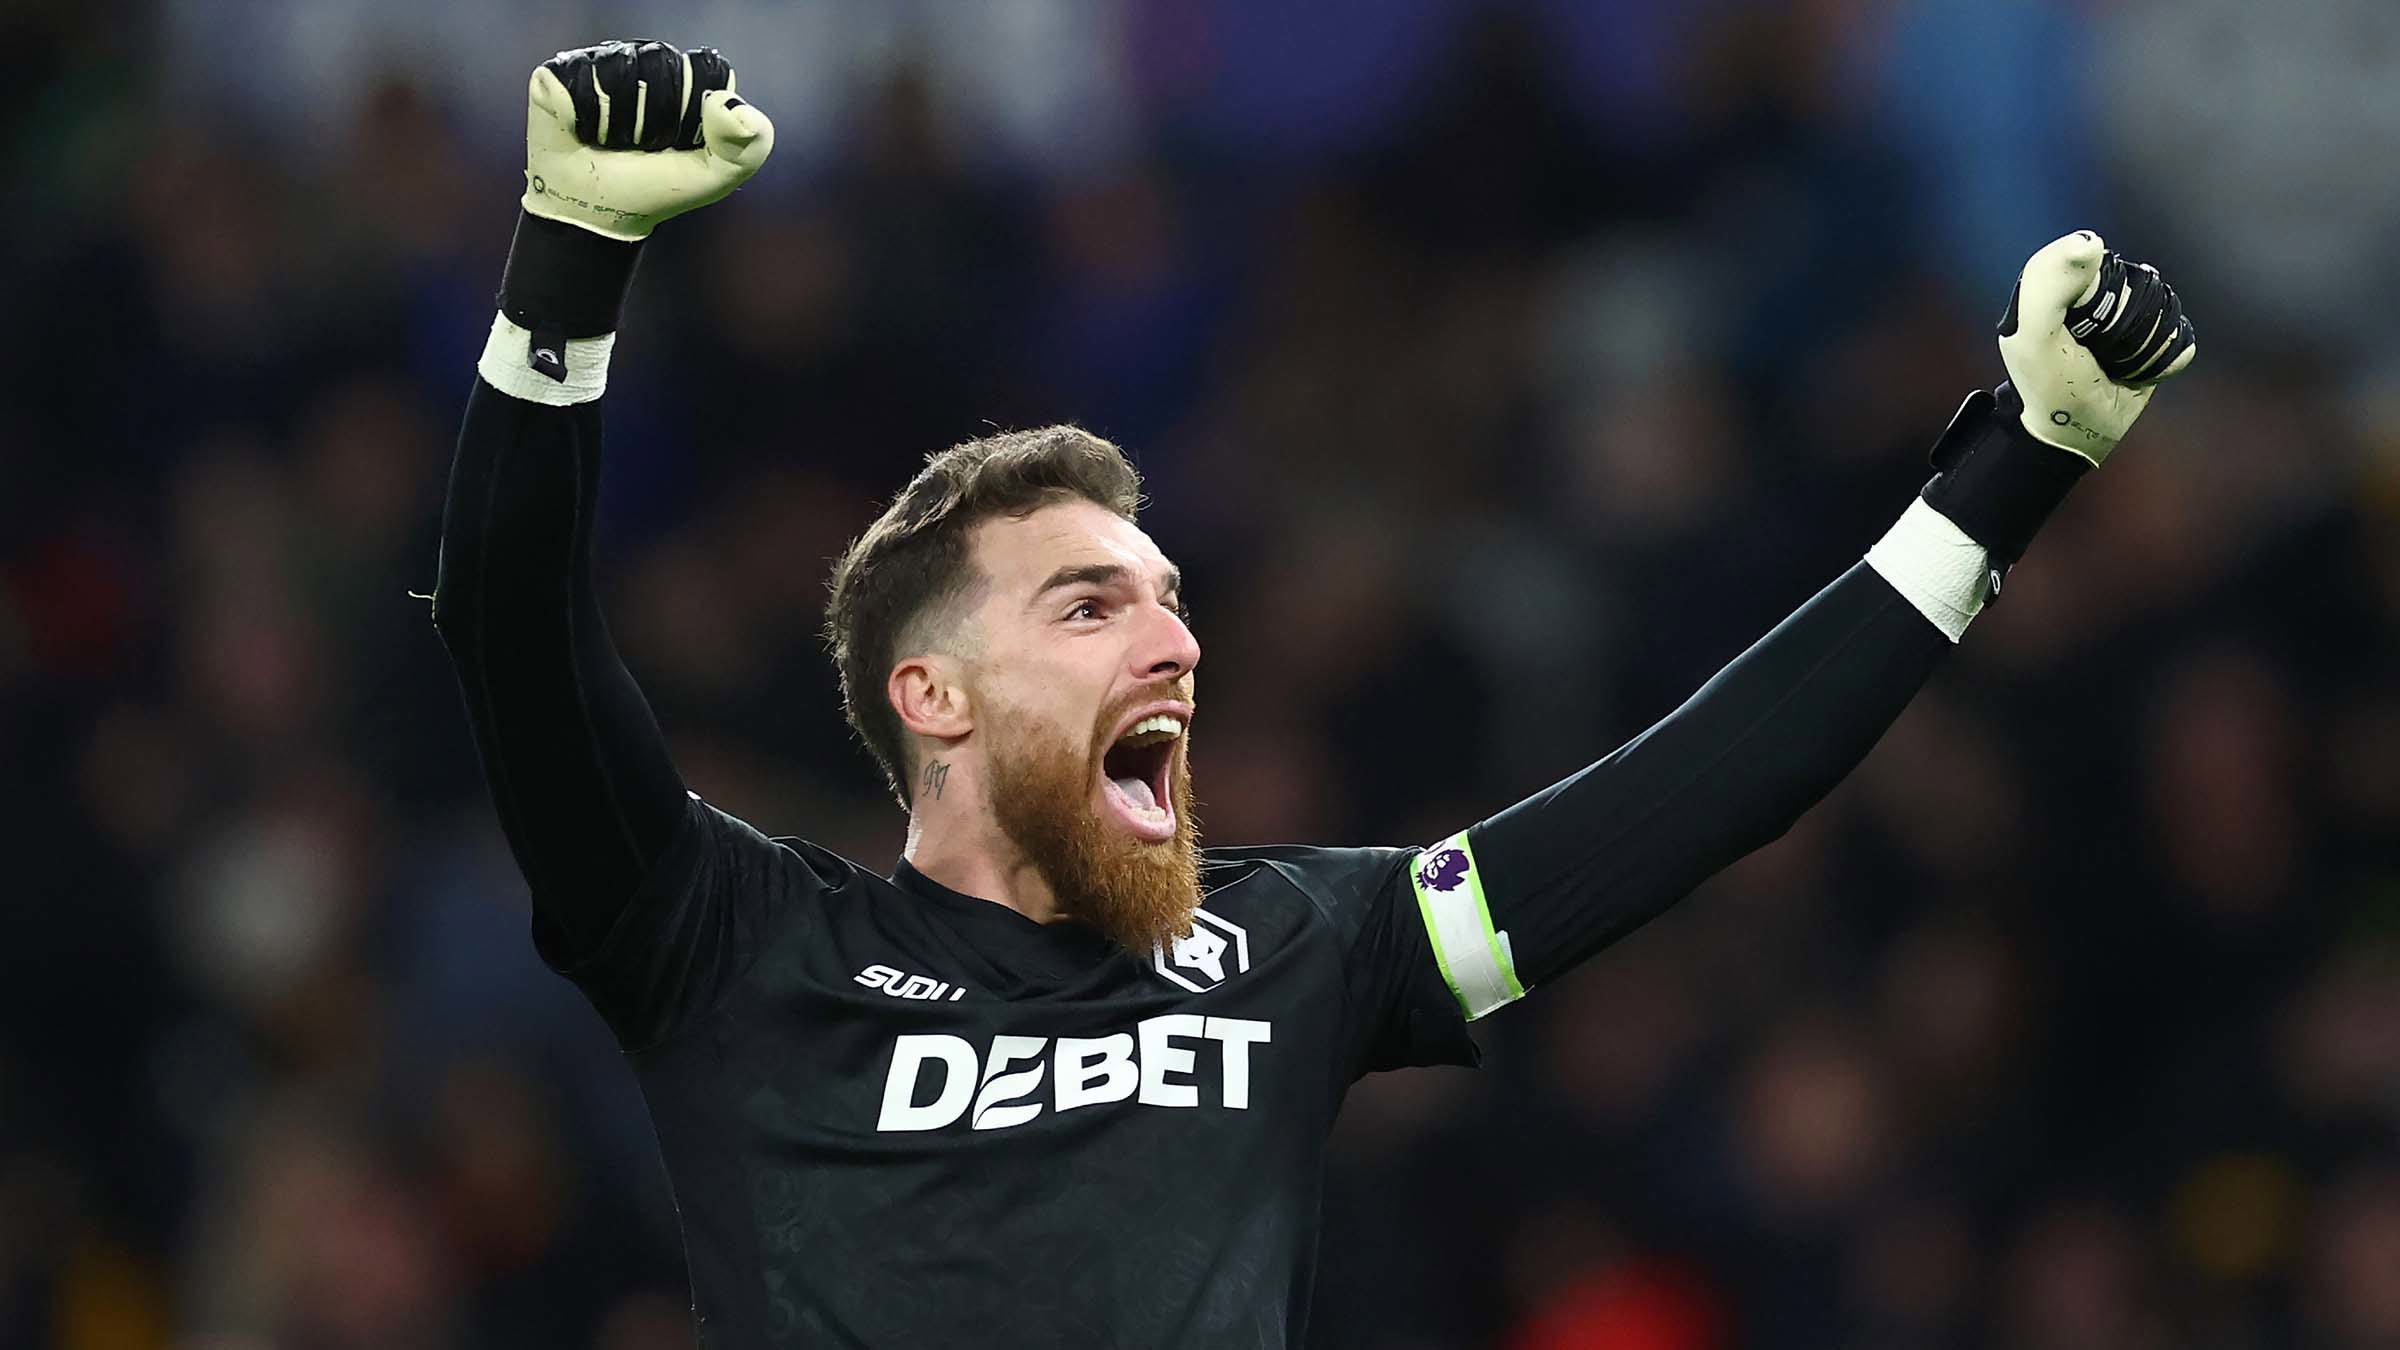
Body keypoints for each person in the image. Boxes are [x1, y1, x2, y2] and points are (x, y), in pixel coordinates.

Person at [432, 40, 2196, 1350]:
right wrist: (571, 257)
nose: (1173, 645)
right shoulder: (737, 942)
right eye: (1089, 604)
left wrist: (2011, 471)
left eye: (1170, 603)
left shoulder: (1290, 943)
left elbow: (1696, 794)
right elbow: (518, 643)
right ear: (934, 695)